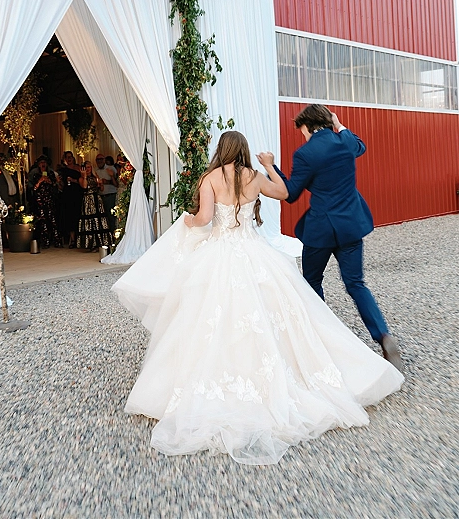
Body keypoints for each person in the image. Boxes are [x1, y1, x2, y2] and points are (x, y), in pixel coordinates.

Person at [112, 131, 403, 465]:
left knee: (209, 318)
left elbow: (205, 220)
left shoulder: (210, 178)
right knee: (276, 314)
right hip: (254, 253)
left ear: (221, 150)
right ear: (245, 151)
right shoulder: (254, 176)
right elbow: (283, 192)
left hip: (219, 254)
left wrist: (188, 220)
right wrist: (271, 166)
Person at [260, 104, 403, 372]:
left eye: (301, 130)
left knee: (312, 281)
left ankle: (324, 340)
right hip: (351, 225)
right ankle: (383, 335)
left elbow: (290, 193)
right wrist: (339, 125)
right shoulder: (345, 141)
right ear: (329, 122)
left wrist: (271, 167)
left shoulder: (305, 154)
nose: (301, 135)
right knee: (356, 284)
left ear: (308, 126)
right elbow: (360, 145)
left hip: (321, 229)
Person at [77, 161, 114, 252]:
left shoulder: (95, 176)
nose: (88, 169)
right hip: (88, 200)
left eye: (89, 167)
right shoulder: (81, 179)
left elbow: (101, 189)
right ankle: (91, 244)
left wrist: (100, 184)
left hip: (97, 199)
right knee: (90, 221)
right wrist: (84, 176)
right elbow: (85, 186)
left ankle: (101, 242)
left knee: (100, 220)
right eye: (86, 168)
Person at [28, 155, 62, 249]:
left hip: (50, 199)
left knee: (53, 220)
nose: (43, 164)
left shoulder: (51, 173)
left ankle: (57, 240)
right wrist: (40, 181)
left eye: (44, 163)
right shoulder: (35, 174)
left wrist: (50, 182)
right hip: (40, 201)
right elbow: (33, 188)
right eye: (41, 163)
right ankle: (45, 241)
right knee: (42, 220)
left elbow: (56, 186)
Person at [58, 151, 83, 248]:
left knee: (78, 215)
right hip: (67, 195)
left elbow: (83, 180)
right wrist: (59, 182)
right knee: (70, 217)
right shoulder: (63, 171)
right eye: (67, 157)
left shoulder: (78, 168)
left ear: (73, 158)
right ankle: (72, 239)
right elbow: (61, 187)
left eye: (70, 157)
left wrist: (74, 181)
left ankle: (80, 238)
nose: (69, 159)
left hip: (78, 193)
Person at [94, 153, 118, 233]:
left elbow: (117, 183)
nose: (99, 161)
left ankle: (113, 235)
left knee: (111, 216)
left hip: (110, 195)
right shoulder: (95, 170)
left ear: (104, 160)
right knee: (103, 218)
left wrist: (107, 180)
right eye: (98, 159)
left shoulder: (111, 168)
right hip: (100, 197)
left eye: (101, 159)